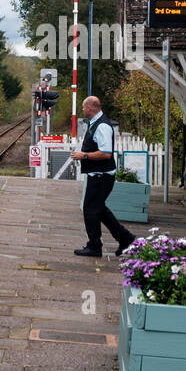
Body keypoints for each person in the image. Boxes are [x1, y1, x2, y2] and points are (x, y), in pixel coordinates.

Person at [71, 96, 136, 257]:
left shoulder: (102, 127)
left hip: (101, 176)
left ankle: (95, 246)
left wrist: (84, 155)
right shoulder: (96, 123)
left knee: (90, 210)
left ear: (91, 108)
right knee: (99, 209)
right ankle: (126, 238)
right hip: (99, 175)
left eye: (84, 107)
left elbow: (106, 154)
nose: (83, 110)